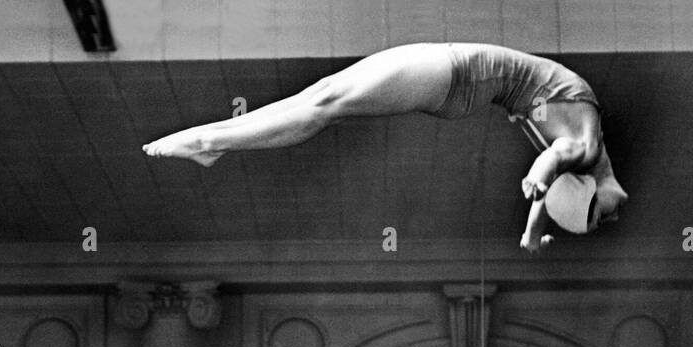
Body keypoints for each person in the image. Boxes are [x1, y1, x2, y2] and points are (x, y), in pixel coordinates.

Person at [143, 42, 628, 254]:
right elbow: (555, 169)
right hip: (456, 78)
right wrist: (531, 229)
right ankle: (216, 143)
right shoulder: (585, 149)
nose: (611, 216)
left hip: (455, 77)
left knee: (326, 100)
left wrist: (539, 182)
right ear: (583, 188)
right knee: (321, 97)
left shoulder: (584, 151)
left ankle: (212, 140)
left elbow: (555, 166)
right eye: (599, 217)